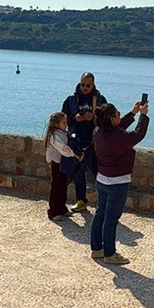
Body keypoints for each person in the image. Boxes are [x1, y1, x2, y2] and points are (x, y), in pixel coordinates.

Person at [91, 101, 149, 265]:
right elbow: (138, 135)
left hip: (102, 179)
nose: (119, 115)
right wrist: (143, 116)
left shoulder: (98, 131)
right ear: (110, 118)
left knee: (100, 214)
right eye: (117, 114)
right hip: (118, 183)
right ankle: (110, 254)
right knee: (111, 219)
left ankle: (97, 249)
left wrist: (133, 113)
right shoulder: (117, 137)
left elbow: (116, 127)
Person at [61, 72, 108, 213]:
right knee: (77, 173)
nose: (85, 87)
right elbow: (62, 120)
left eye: (88, 85)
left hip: (94, 142)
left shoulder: (100, 99)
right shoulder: (70, 100)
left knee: (98, 173)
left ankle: (103, 203)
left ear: (93, 84)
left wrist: (93, 118)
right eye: (82, 84)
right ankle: (80, 200)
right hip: (76, 141)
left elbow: (107, 120)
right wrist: (75, 118)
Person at [44, 112, 84, 221]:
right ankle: (53, 211)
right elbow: (64, 149)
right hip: (56, 163)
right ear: (56, 124)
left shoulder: (62, 133)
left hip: (62, 163)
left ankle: (62, 208)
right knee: (56, 187)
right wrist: (75, 155)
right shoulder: (54, 136)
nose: (66, 124)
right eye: (63, 123)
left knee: (63, 185)